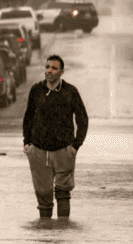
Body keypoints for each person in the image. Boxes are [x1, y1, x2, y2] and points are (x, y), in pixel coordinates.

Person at [23, 54, 88, 219]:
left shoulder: (70, 92)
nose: (49, 71)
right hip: (38, 150)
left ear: (62, 72)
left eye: (54, 68)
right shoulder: (36, 90)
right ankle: (46, 238)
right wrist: (27, 144)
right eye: (47, 67)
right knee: (43, 196)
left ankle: (63, 234)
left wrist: (75, 146)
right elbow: (28, 117)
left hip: (63, 150)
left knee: (63, 192)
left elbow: (82, 119)